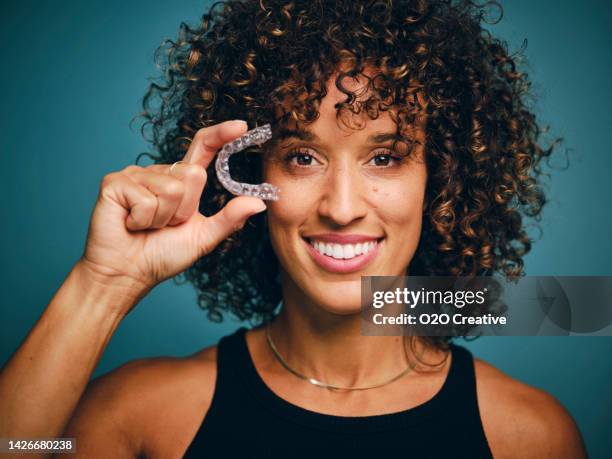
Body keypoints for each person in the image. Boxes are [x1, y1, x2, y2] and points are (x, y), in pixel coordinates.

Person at [0, 0, 587, 457]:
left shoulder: (529, 436)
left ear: (446, 178)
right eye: (303, 156)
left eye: (385, 157)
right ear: (251, 172)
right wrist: (103, 285)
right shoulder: (140, 416)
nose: (341, 206)